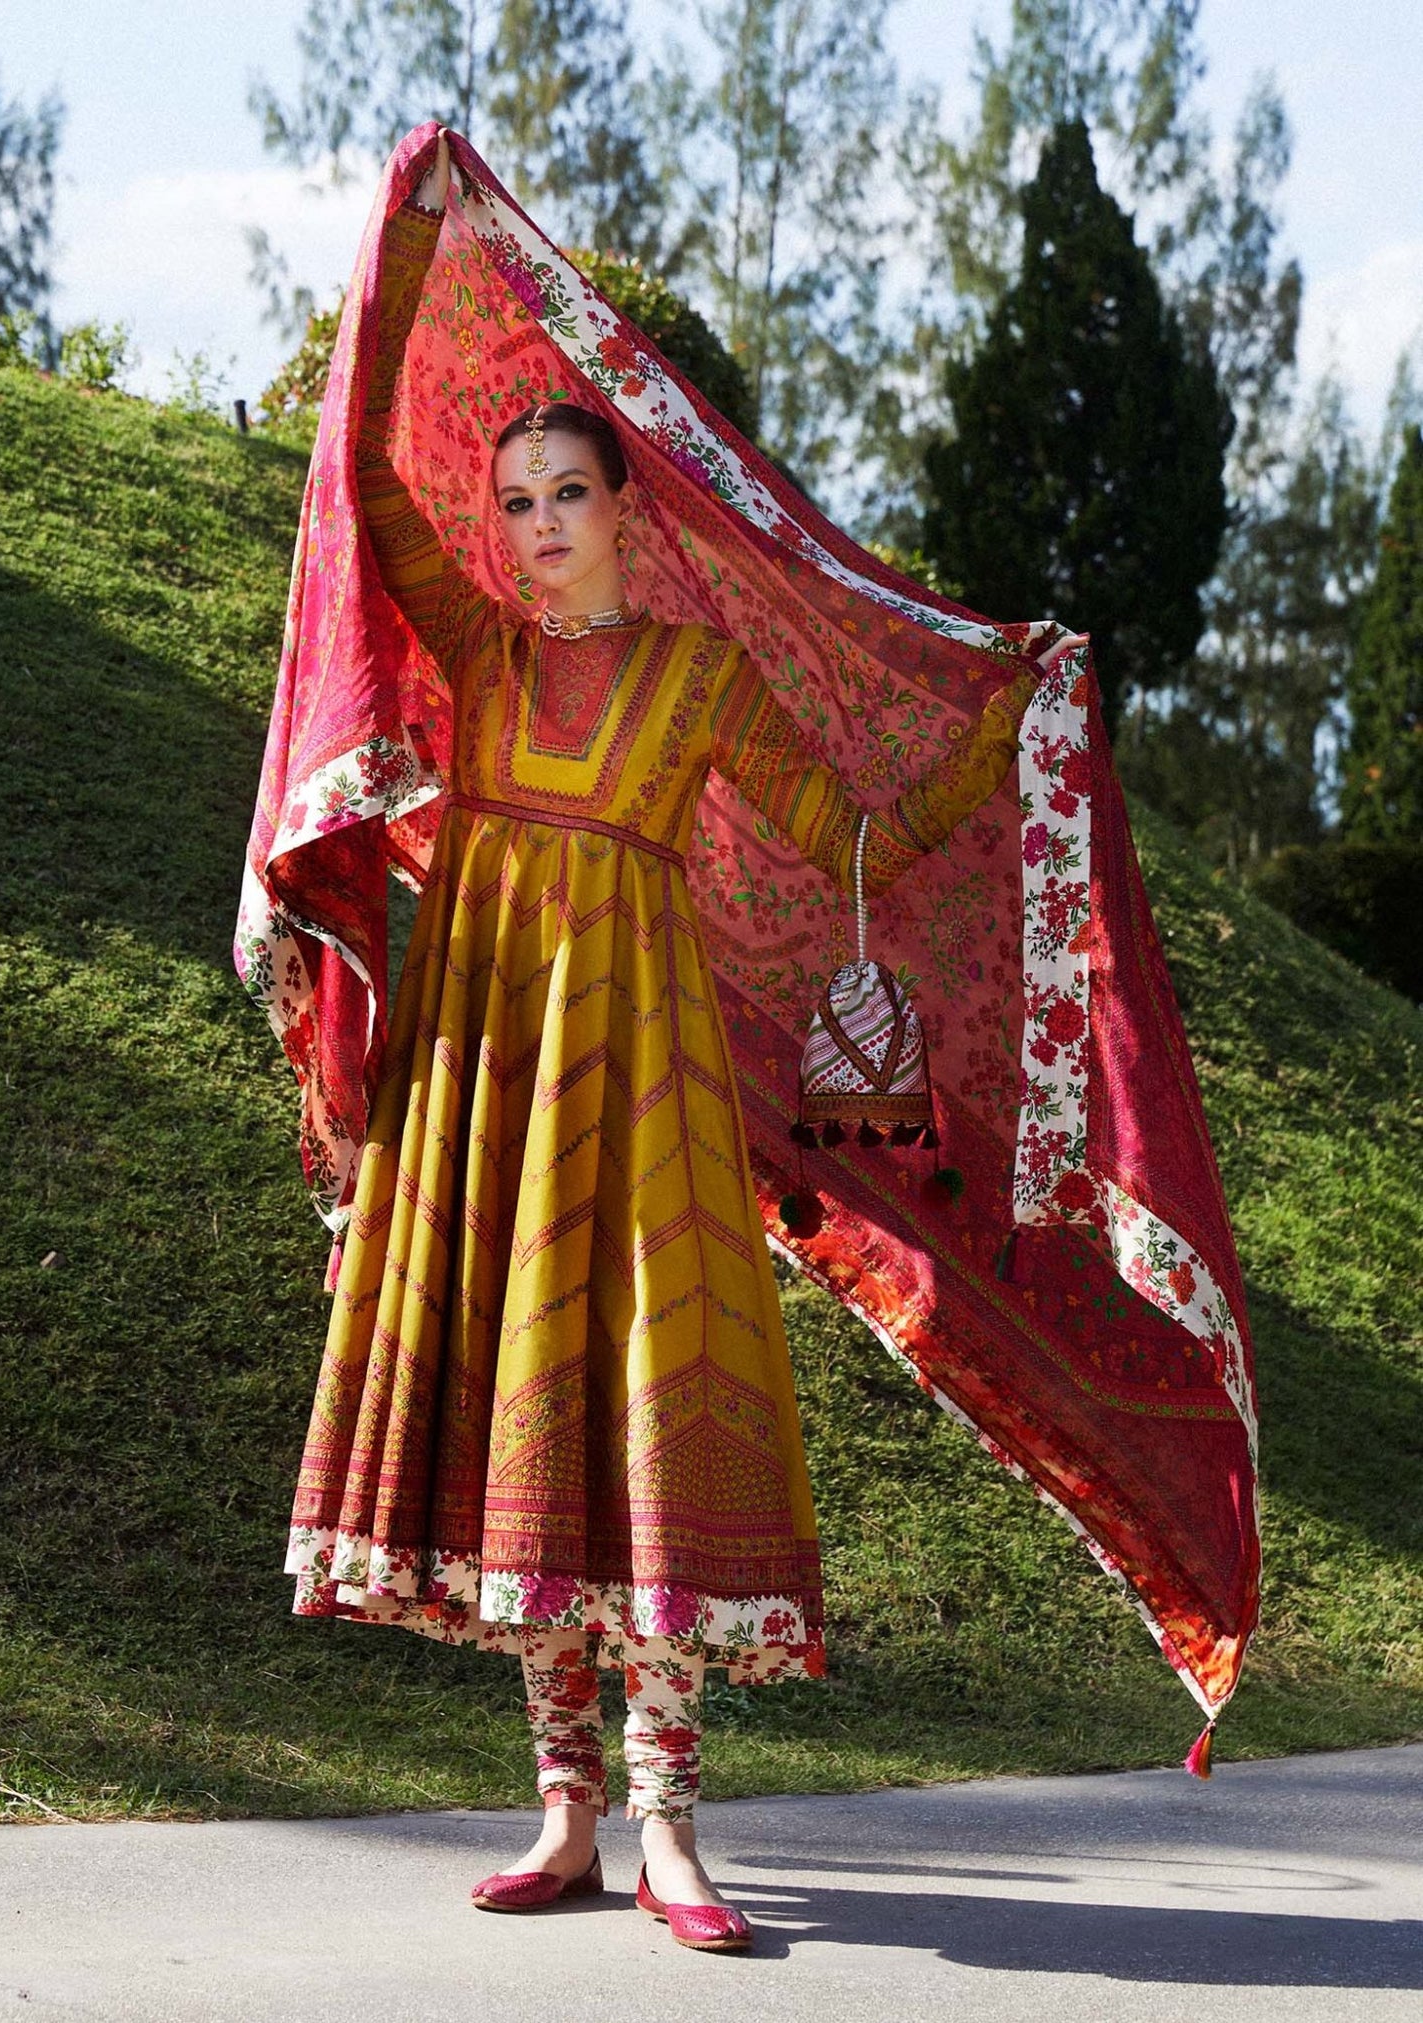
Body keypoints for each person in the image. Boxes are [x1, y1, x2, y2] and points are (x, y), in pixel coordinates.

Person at [280, 131, 1076, 1955]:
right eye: (520, 503)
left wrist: (997, 710)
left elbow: (853, 839)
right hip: (482, 1072)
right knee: (514, 1414)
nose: (538, 525)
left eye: (570, 494)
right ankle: (562, 1812)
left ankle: (670, 1828)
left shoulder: (696, 685)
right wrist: (404, 240)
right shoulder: (479, 658)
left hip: (638, 1085)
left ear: (632, 512)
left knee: (631, 1413)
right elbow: (364, 482)